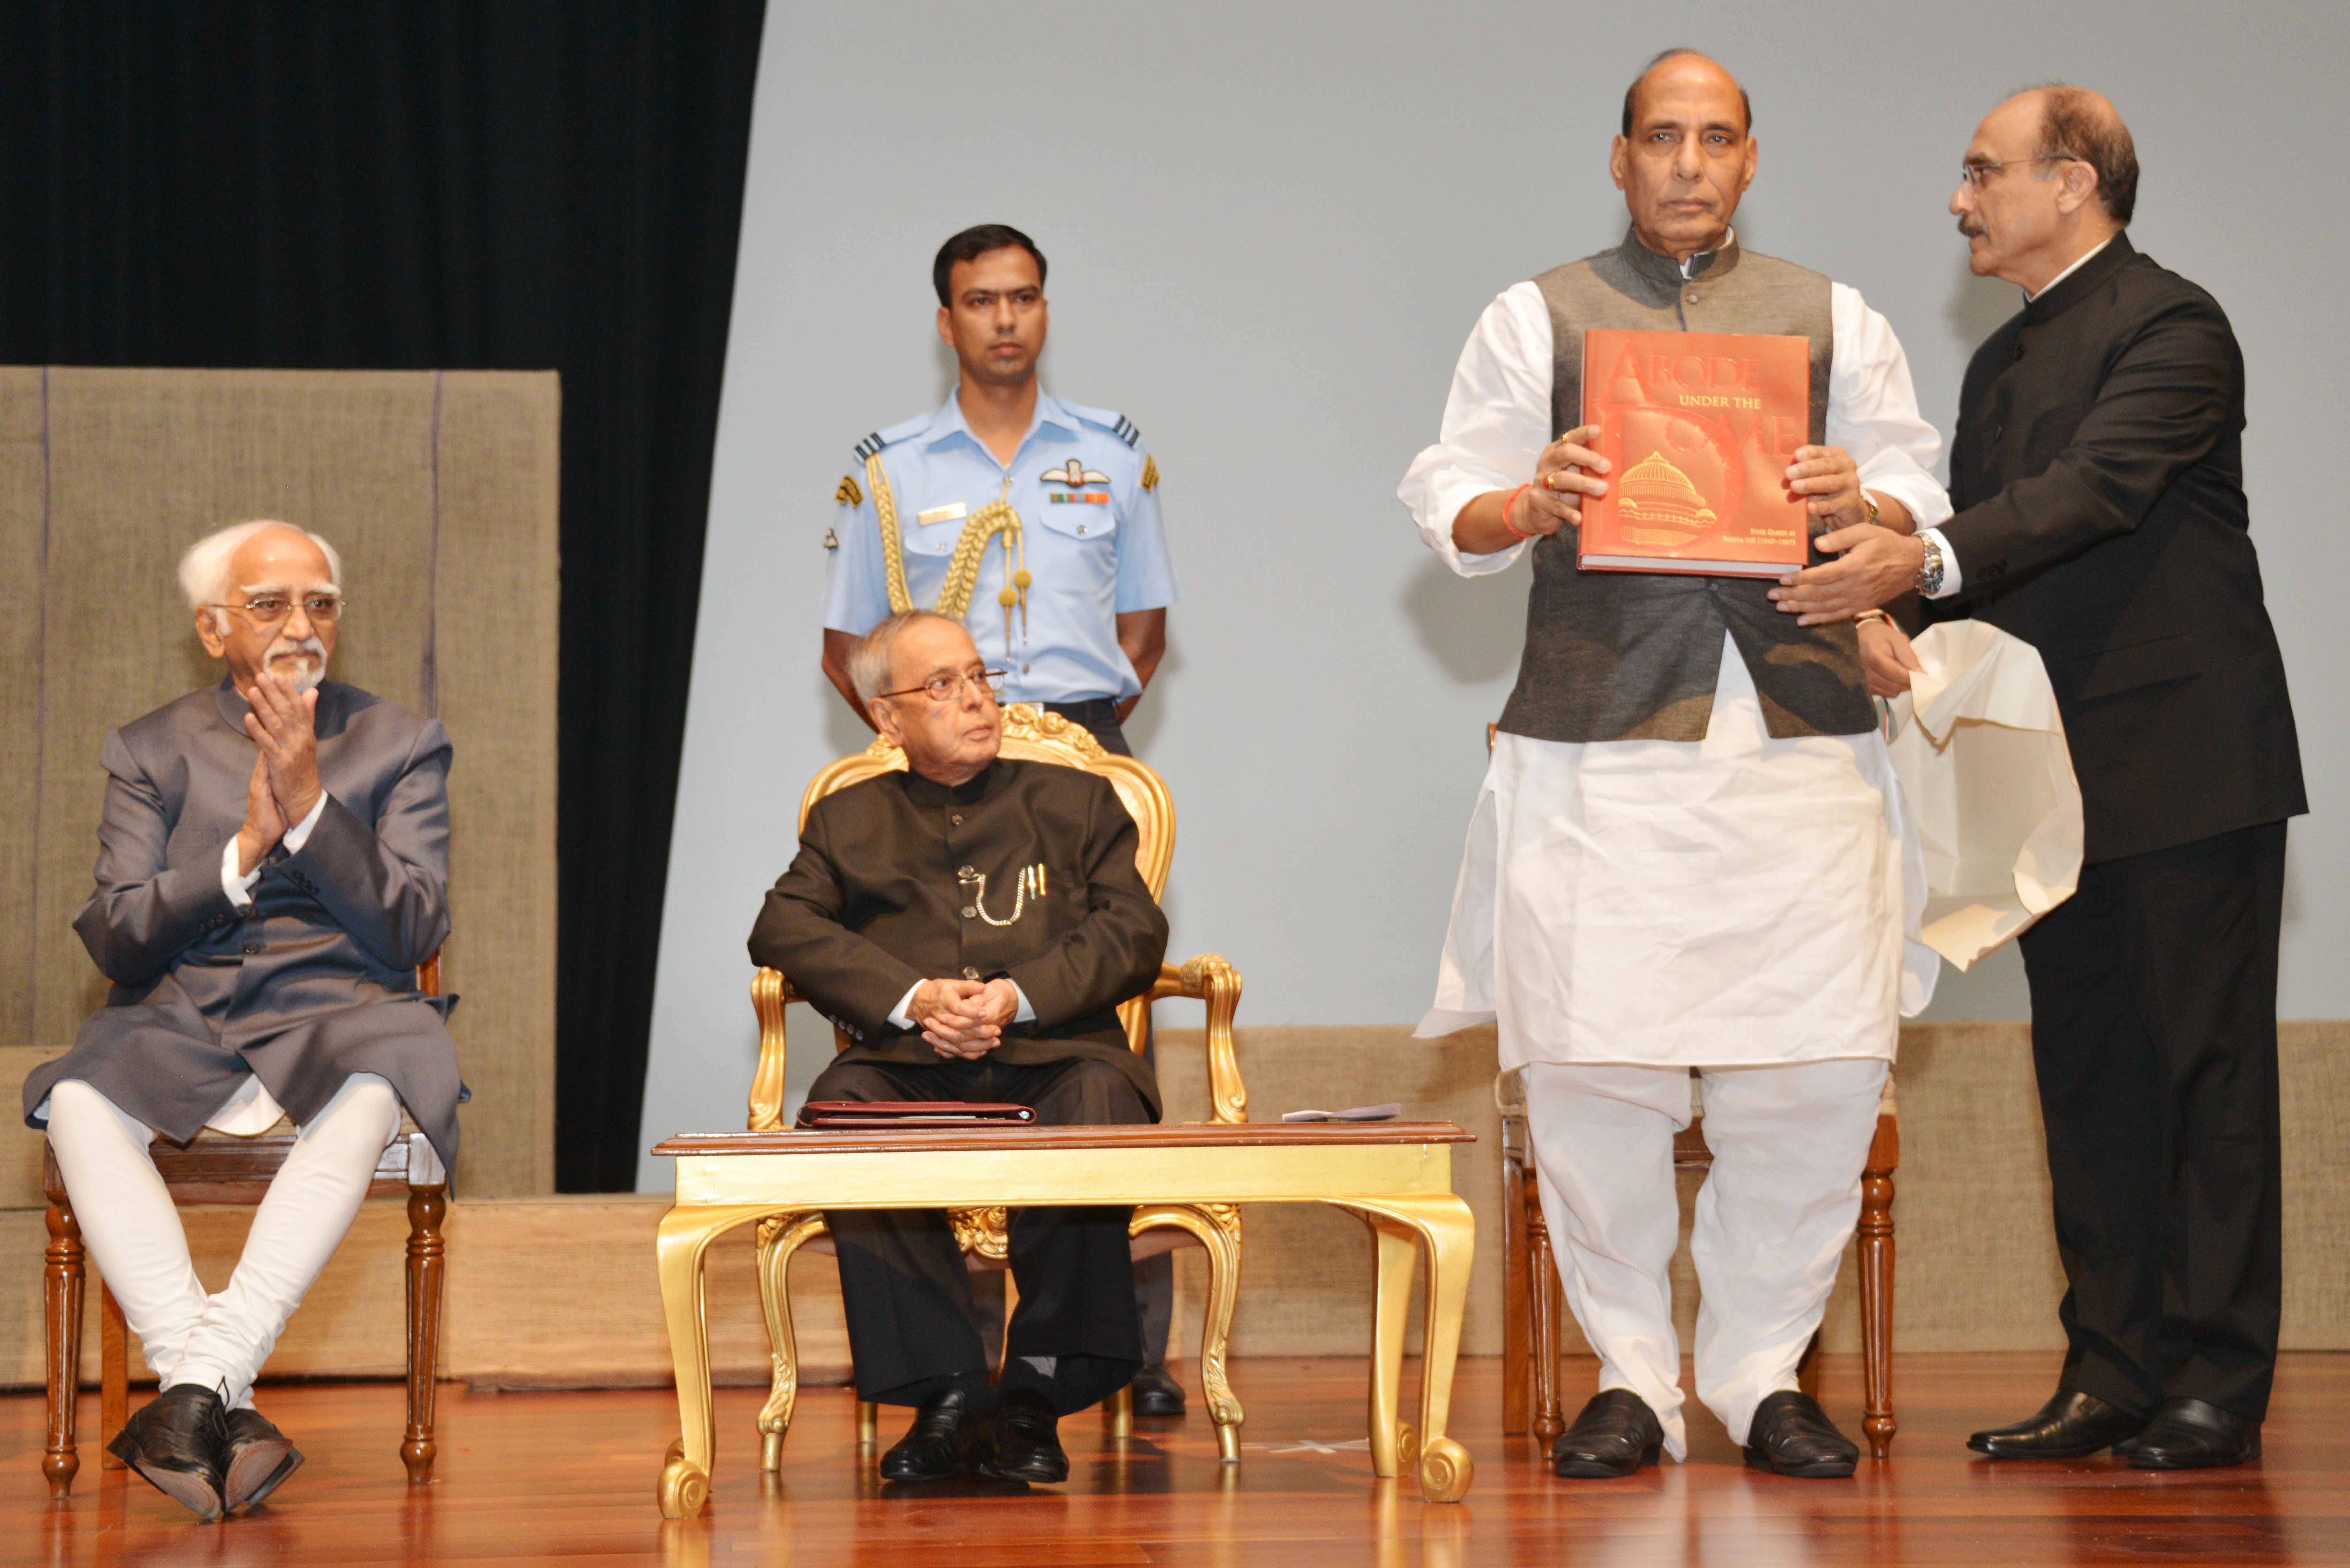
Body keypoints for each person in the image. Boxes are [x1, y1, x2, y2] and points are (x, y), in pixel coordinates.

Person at [1400, 49, 1949, 1480]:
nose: (1689, 163)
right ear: (1619, 156)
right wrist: (1528, 498)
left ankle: (1762, 1372)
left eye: (1716, 139)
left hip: (1799, 746)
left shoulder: (1833, 315)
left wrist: (1862, 493)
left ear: (1752, 159)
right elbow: (1447, 491)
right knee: (1594, 1072)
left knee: (1816, 1072)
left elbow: (1917, 477)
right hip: (1599, 748)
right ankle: (1631, 1377)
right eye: (1662, 138)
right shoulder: (1539, 313)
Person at [1784, 87, 2305, 1471]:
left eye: (1981, 173)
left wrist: (1919, 563)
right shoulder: (2003, 362)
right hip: (2049, 779)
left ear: (2072, 183)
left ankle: (2212, 1380)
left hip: (2189, 765)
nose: (1959, 201)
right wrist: (1892, 619)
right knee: (2086, 1078)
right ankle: (2111, 1371)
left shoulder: (2174, 326)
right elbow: (1988, 556)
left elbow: (2089, 494)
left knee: (2206, 1076)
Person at [818, 223, 1188, 1414]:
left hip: (1077, 751)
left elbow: (1144, 631)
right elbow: (849, 647)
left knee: (1089, 1019)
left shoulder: (1114, 456)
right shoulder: (888, 470)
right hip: (935, 776)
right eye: (981, 301)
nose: (1006, 320)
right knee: (941, 1028)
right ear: (948, 321)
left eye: (1025, 298)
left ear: (1045, 310)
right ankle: (963, 1363)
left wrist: (1056, 741)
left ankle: (1115, 1356)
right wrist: (930, 737)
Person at [23, 521, 462, 1520]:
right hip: (184, 1005)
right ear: (213, 629)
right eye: (269, 605)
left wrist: (311, 807)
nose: (300, 622)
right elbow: (118, 933)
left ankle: (191, 1386)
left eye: (321, 602)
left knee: (377, 1087)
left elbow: (414, 925)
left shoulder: (400, 743)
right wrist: (239, 858)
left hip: (343, 1004)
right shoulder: (150, 746)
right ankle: (220, 1392)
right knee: (79, 1098)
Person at [751, 609, 1169, 1483]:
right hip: (910, 1065)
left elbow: (1133, 930)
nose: (976, 698)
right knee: (846, 1111)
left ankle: (1036, 1393)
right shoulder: (849, 818)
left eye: (980, 676)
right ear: (886, 718)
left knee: (1098, 1108)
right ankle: (946, 1391)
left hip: (1059, 1057)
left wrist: (1019, 997)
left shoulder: (1078, 800)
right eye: (942, 685)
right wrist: (910, 998)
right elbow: (781, 925)